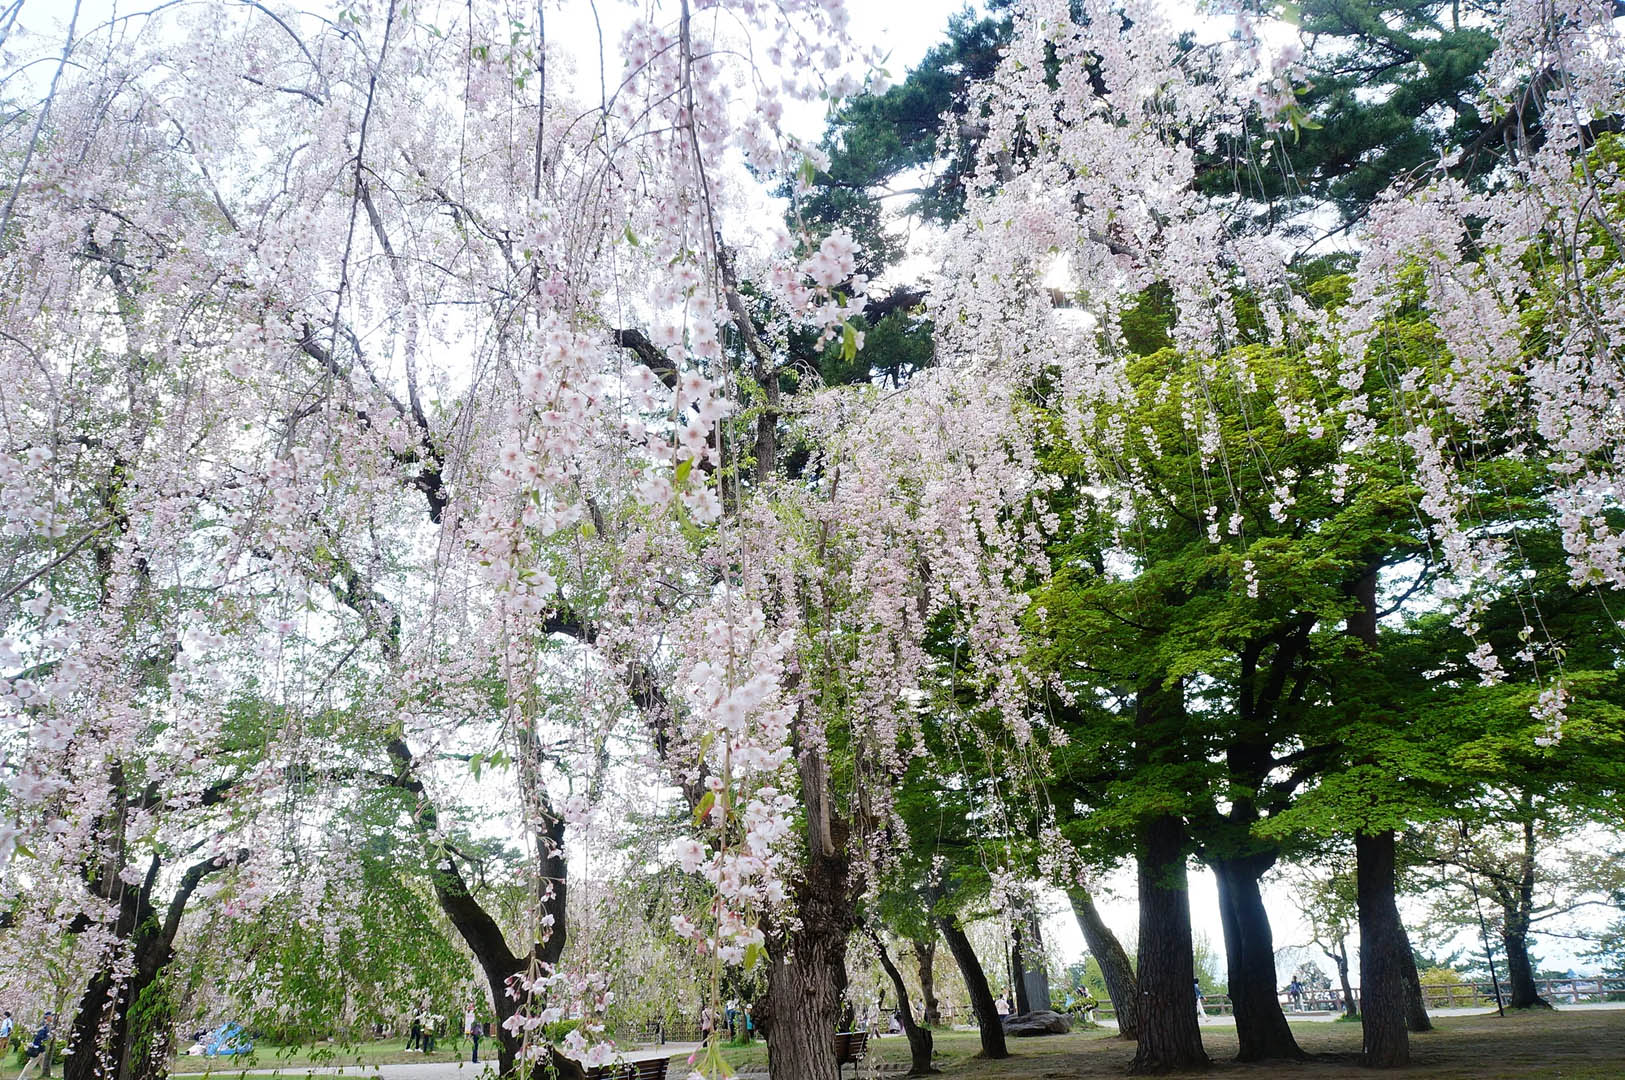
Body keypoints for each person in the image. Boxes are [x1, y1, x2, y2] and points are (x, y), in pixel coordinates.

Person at [17, 1013, 55, 1080]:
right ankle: (22, 1077)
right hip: (38, 1048)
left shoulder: (46, 1025)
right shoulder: (43, 1026)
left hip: (41, 1048)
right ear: (47, 1017)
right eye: (51, 1016)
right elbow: (39, 1037)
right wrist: (37, 1046)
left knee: (43, 1062)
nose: (52, 1018)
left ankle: (47, 1074)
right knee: (32, 1063)